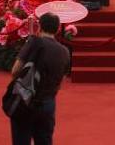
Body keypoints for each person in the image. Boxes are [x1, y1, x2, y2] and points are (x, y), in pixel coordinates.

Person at [9, 12, 71, 145]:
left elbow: (15, 70)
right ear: (57, 28)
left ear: (40, 26)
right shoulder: (64, 51)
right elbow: (61, 81)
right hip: (48, 103)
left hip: (26, 101)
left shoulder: (33, 43)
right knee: (44, 140)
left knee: (21, 139)